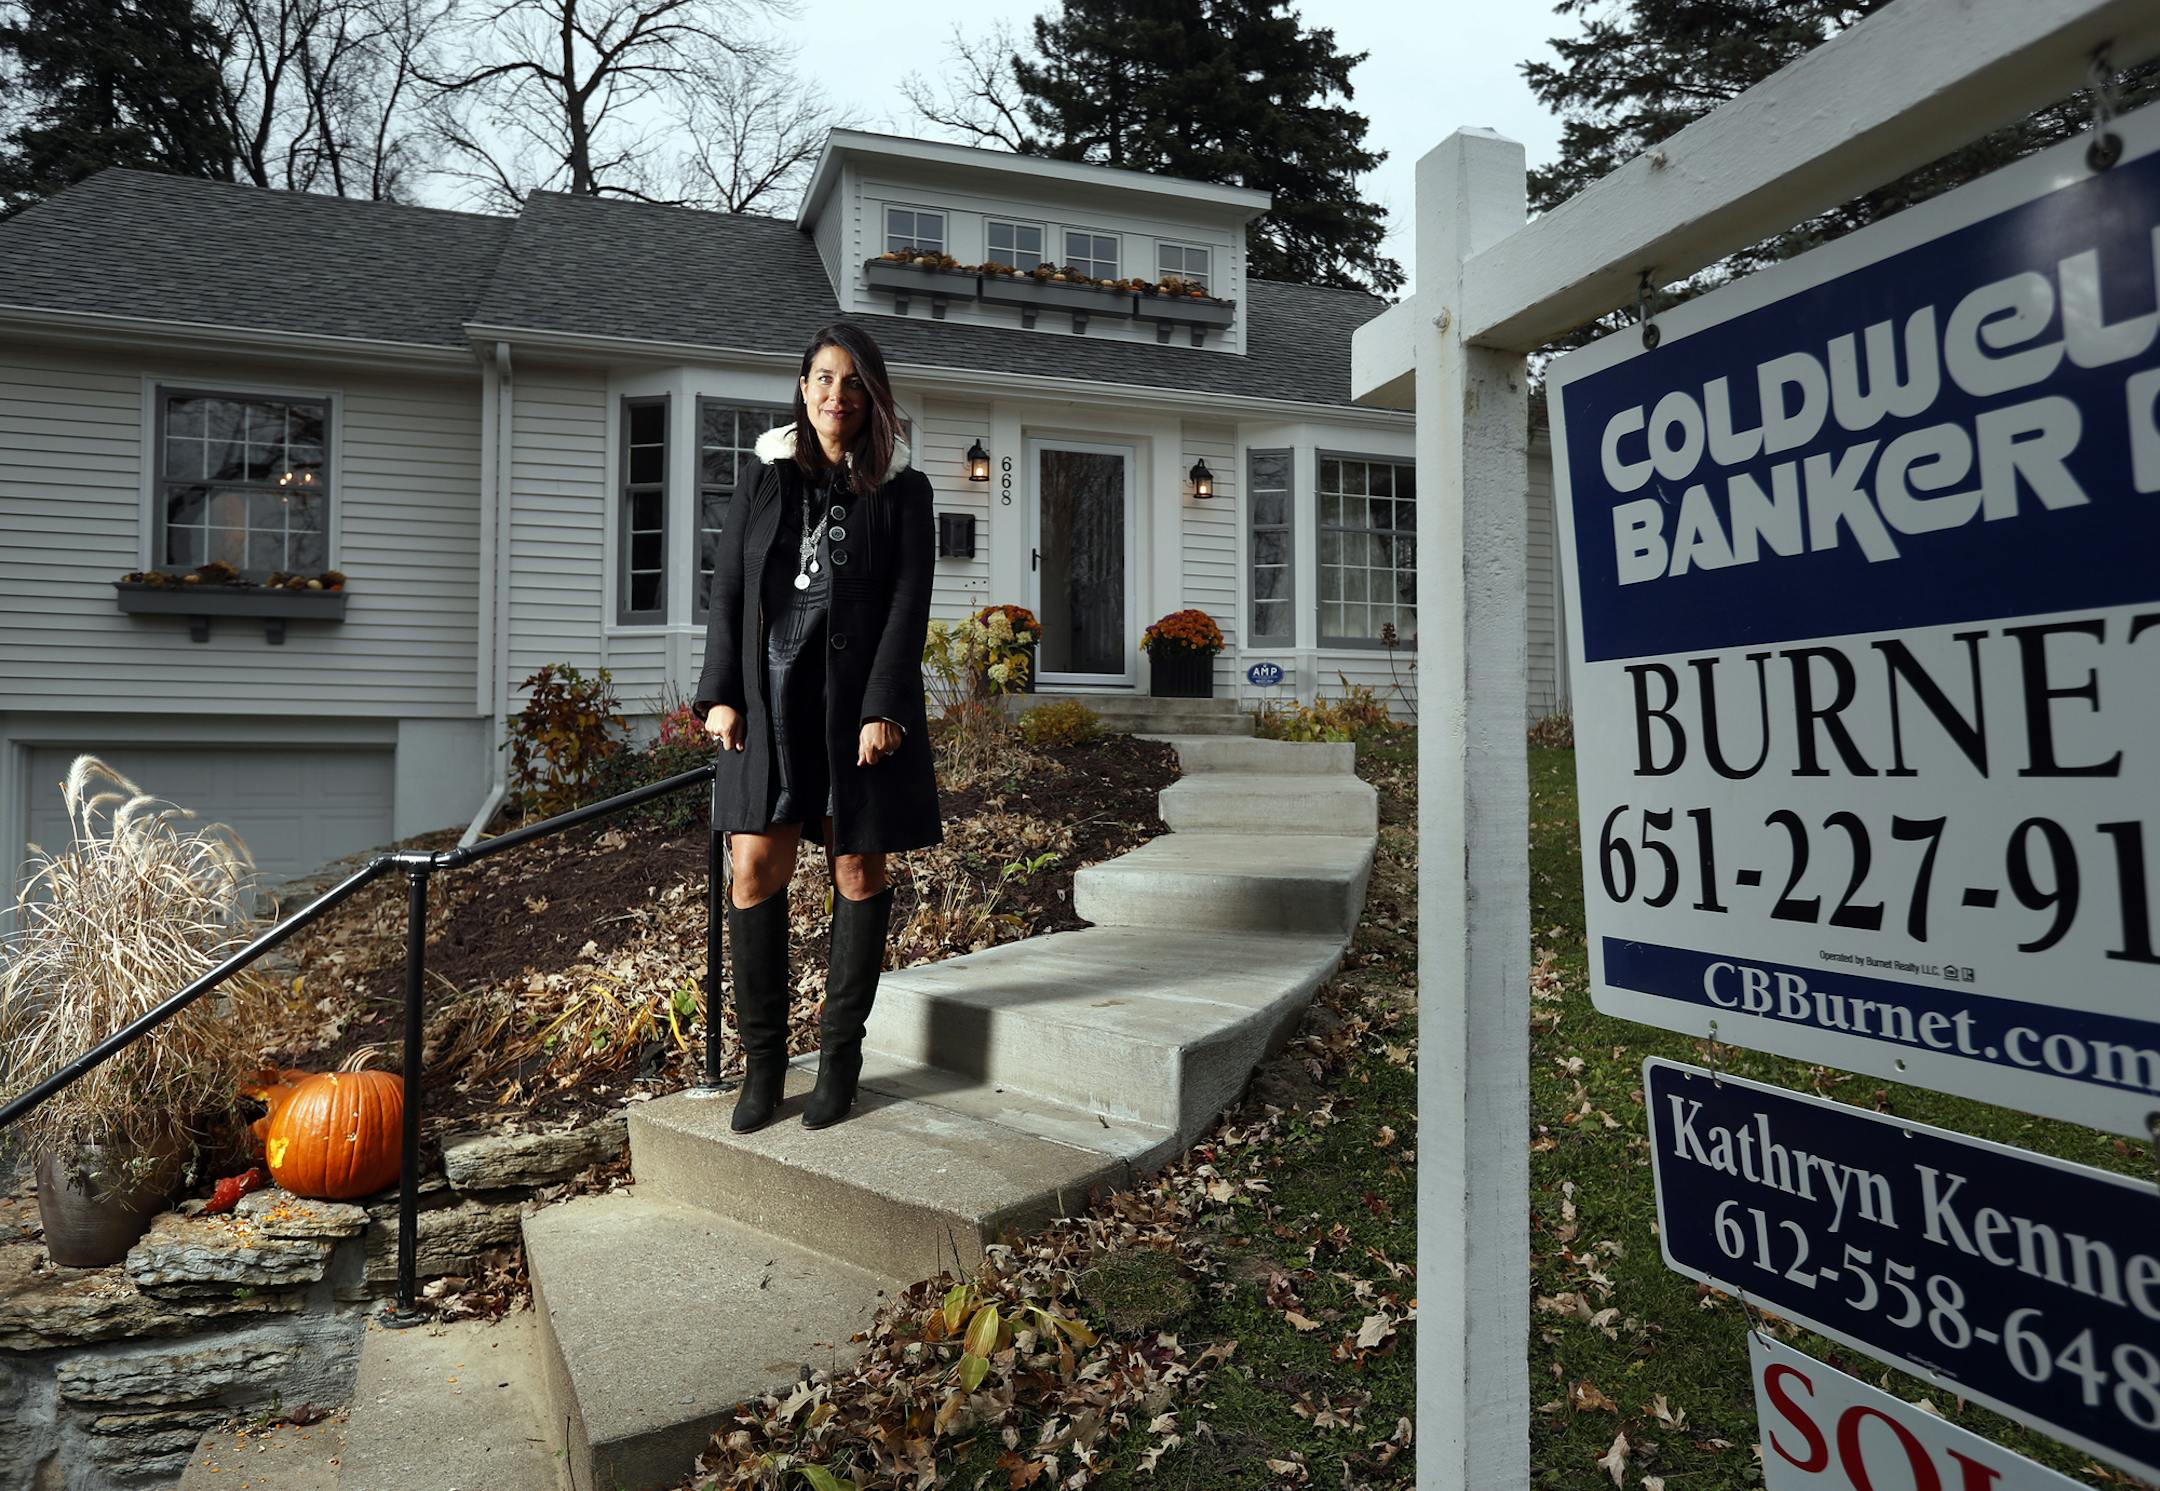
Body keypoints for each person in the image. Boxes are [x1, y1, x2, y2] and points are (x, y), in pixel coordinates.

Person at [691, 322, 942, 1133]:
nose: (837, 395)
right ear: (803, 389)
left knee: (857, 872)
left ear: (872, 399)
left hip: (854, 707)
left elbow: (909, 605)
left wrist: (885, 706)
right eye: (824, 379)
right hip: (768, 703)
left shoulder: (904, 490)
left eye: (853, 383)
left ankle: (839, 1064)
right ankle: (763, 1071)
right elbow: (727, 586)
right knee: (754, 868)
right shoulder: (764, 480)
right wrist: (719, 692)